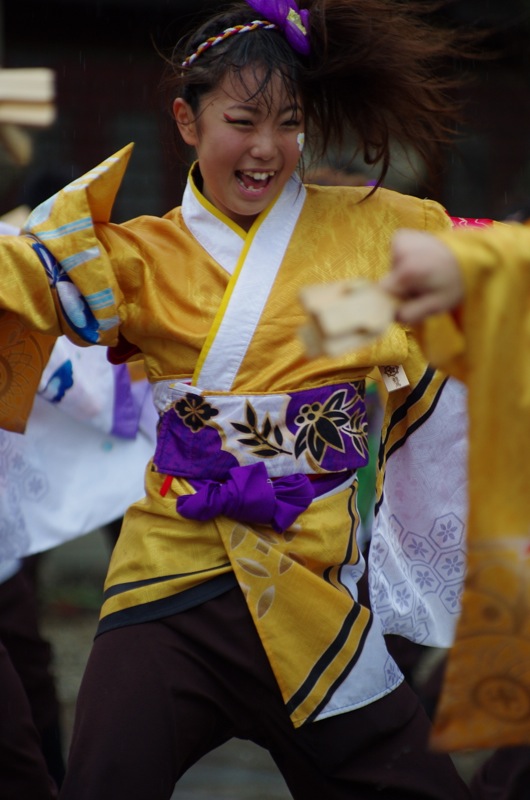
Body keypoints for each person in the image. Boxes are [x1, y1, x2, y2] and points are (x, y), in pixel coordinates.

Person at [0, 2, 477, 797]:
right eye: (243, 119)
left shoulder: (372, 235)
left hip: (313, 597)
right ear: (187, 121)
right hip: (168, 586)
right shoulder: (140, 257)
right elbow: (22, 279)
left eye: (289, 123)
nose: (266, 149)